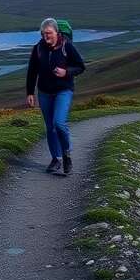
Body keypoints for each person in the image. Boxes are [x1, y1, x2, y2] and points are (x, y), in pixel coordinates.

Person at [25, 17, 85, 175]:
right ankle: (55, 159)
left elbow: (80, 66)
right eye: (43, 34)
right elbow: (32, 71)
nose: (46, 37)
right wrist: (30, 92)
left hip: (63, 90)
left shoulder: (67, 46)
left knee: (59, 123)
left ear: (57, 32)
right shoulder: (38, 48)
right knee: (50, 128)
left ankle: (66, 155)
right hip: (44, 92)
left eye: (49, 33)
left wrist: (66, 72)